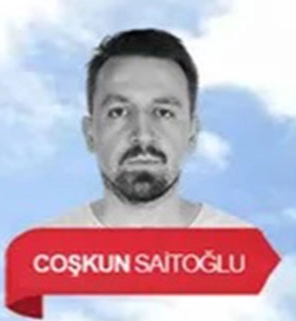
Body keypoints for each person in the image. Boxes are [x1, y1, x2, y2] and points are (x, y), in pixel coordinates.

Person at [38, 28, 250, 229]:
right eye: (118, 112)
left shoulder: (243, 249)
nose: (143, 135)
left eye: (163, 113)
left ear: (192, 133)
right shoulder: (42, 249)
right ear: (90, 133)